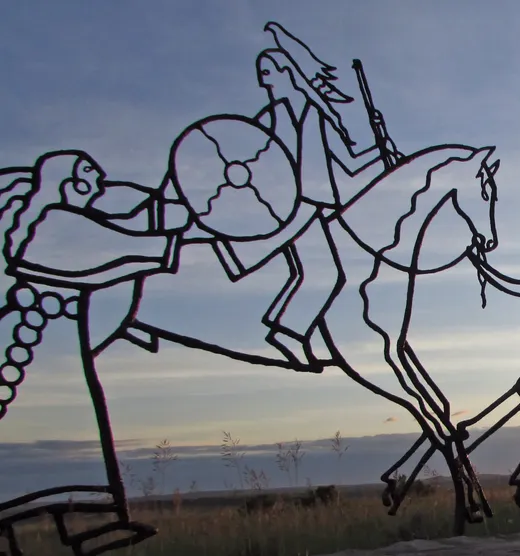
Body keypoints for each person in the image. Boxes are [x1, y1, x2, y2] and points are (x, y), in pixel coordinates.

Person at [218, 46, 386, 367]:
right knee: (325, 275)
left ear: (286, 72)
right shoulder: (268, 120)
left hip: (312, 205)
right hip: (287, 208)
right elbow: (246, 157)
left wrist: (378, 147)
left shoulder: (317, 116)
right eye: (261, 77)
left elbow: (350, 165)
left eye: (268, 74)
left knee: (322, 275)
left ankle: (289, 332)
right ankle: (288, 332)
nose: (264, 83)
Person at [3, 150, 185, 290]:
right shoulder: (55, 219)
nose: (101, 178)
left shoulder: (56, 217)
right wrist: (176, 234)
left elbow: (123, 216)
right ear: (74, 183)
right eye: (87, 170)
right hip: (49, 315)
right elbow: (128, 245)